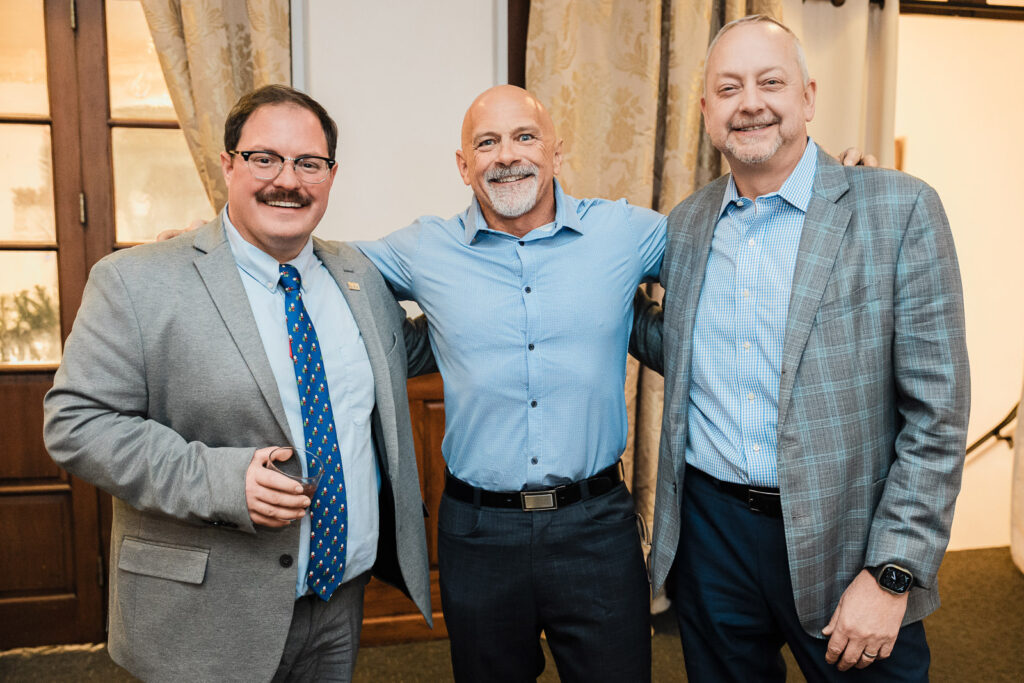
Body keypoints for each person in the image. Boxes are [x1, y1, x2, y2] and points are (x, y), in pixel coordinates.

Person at [42, 85, 433, 682]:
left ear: (331, 175)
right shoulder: (137, 281)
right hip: (206, 612)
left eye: (309, 162)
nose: (288, 180)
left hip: (339, 600)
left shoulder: (359, 277)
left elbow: (421, 350)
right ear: (228, 164)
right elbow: (76, 424)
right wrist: (219, 481)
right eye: (264, 158)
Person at [630, 15, 970, 681]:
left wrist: (892, 572)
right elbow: (679, 343)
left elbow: (938, 414)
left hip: (848, 537)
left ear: (808, 97)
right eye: (728, 88)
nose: (750, 101)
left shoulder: (898, 210)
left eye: (770, 81)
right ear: (705, 111)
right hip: (714, 536)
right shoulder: (688, 224)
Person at [354, 84, 664, 682]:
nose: (506, 155)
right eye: (486, 142)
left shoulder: (623, 232)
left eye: (524, 137)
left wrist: (840, 186)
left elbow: (726, 249)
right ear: (463, 164)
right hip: (478, 531)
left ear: (555, 151)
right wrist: (225, 243)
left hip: (595, 525)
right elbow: (321, 263)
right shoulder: (425, 248)